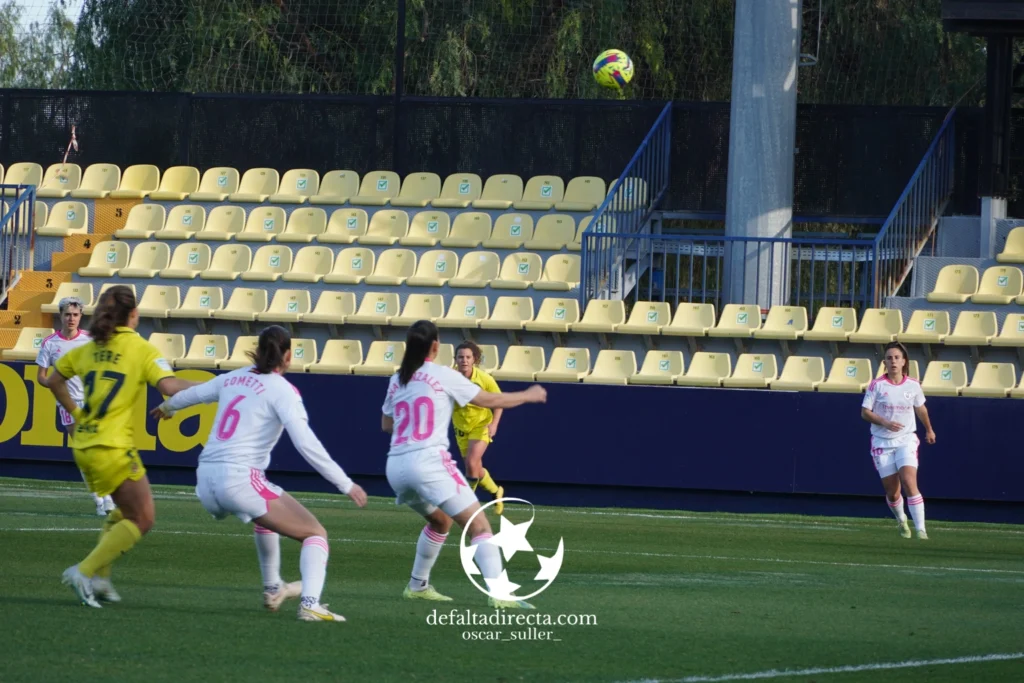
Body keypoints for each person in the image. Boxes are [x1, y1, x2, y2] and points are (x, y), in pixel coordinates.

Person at [153, 325, 368, 622]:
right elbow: (306, 444)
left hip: (204, 481)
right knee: (315, 533)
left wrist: (168, 406)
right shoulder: (283, 390)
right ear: (288, 356)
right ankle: (310, 604)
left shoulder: (234, 377)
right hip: (239, 480)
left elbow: (195, 394)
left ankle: (272, 588)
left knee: (265, 511)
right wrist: (345, 483)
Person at [48, 285, 198, 607]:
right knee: (143, 518)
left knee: (124, 511)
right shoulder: (139, 348)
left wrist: (76, 413)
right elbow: (170, 386)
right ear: (133, 314)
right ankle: (84, 571)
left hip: (85, 443)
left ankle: (101, 578)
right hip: (112, 447)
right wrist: (216, 386)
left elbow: (53, 380)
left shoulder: (90, 347)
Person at [382, 321, 546, 608]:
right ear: (435, 346)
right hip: (428, 463)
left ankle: (417, 585)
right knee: (480, 525)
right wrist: (527, 395)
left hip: (396, 467)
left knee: (440, 521)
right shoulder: (443, 375)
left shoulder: (398, 378)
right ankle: (501, 594)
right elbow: (489, 399)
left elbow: (386, 425)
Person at [35, 296, 115, 516]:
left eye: (75, 315)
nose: (71, 318)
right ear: (61, 315)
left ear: (81, 317)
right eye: (67, 314)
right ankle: (101, 500)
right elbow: (41, 376)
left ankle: (105, 496)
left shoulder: (90, 340)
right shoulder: (50, 343)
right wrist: (54, 384)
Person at [861, 342, 935, 540]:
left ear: (904, 361)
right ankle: (901, 519)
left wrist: (929, 429)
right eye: (889, 358)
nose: (893, 361)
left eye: (896, 357)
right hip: (882, 442)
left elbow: (921, 408)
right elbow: (865, 412)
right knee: (893, 493)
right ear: (884, 362)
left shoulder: (913, 385)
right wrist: (884, 422)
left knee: (910, 481)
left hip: (906, 439)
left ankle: (921, 530)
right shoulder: (877, 385)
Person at [452, 341, 506, 514]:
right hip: (461, 428)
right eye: (461, 357)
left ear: (474, 359)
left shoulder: (484, 379)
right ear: (456, 359)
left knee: (471, 462)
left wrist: (494, 423)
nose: (464, 361)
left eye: (468, 357)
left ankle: (467, 504)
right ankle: (496, 492)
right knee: (475, 468)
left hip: (481, 425)